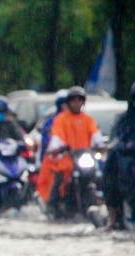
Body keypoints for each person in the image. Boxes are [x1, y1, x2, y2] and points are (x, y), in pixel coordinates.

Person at [43, 86, 104, 218]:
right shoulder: (61, 119)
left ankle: (102, 203)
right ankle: (54, 204)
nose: (77, 103)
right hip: (67, 158)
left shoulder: (88, 119)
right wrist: (59, 147)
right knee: (61, 176)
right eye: (74, 100)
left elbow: (96, 136)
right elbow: (56, 137)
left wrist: (101, 145)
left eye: (79, 100)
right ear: (69, 102)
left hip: (85, 157)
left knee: (99, 174)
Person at [102, 82, 135, 230]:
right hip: (127, 159)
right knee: (111, 166)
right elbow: (116, 139)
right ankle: (113, 217)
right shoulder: (123, 119)